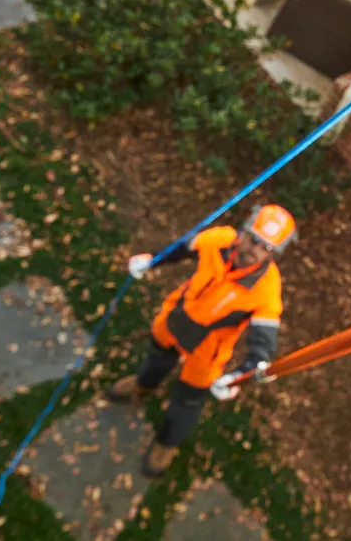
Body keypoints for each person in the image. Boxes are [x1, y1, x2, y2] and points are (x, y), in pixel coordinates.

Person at [106, 203, 294, 477]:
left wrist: (244, 372)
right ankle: (144, 384)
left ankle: (167, 443)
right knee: (157, 355)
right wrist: (152, 259)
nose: (254, 250)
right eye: (254, 239)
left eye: (265, 248)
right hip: (177, 317)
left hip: (207, 349)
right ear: (243, 231)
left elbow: (263, 340)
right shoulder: (218, 240)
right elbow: (183, 249)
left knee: (188, 400)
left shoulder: (266, 290)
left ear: (274, 254)